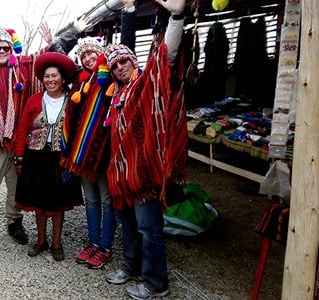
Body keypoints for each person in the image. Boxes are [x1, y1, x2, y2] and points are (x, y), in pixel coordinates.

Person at [0, 20, 89, 247]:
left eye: (5, 48)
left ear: (11, 50)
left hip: (19, 143)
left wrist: (74, 32)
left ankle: (15, 222)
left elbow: (48, 56)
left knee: (16, 187)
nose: (2, 51)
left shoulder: (23, 67)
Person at [104, 0, 187, 299]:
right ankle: (131, 266)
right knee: (128, 225)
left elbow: (167, 58)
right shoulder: (117, 93)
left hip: (144, 173)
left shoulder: (145, 86)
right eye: (114, 65)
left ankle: (156, 284)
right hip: (122, 175)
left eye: (123, 61)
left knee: (149, 229)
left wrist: (176, 16)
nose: (119, 67)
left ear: (133, 62)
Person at [61, 0, 136, 269]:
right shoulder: (80, 81)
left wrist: (128, 12)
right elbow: (56, 55)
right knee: (91, 200)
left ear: (100, 55)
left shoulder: (111, 77)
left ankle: (105, 247)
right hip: (82, 152)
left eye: (92, 54)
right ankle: (93, 243)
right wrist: (68, 34)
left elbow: (127, 48)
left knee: (106, 201)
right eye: (84, 56)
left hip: (104, 152)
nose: (89, 58)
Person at [13, 52, 83, 261]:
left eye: (54, 76)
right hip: (36, 158)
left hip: (60, 159)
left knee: (58, 201)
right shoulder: (35, 100)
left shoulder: (72, 100)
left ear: (62, 79)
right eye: (46, 77)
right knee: (39, 201)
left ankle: (57, 242)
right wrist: (19, 158)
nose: (50, 80)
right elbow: (23, 130)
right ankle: (41, 240)